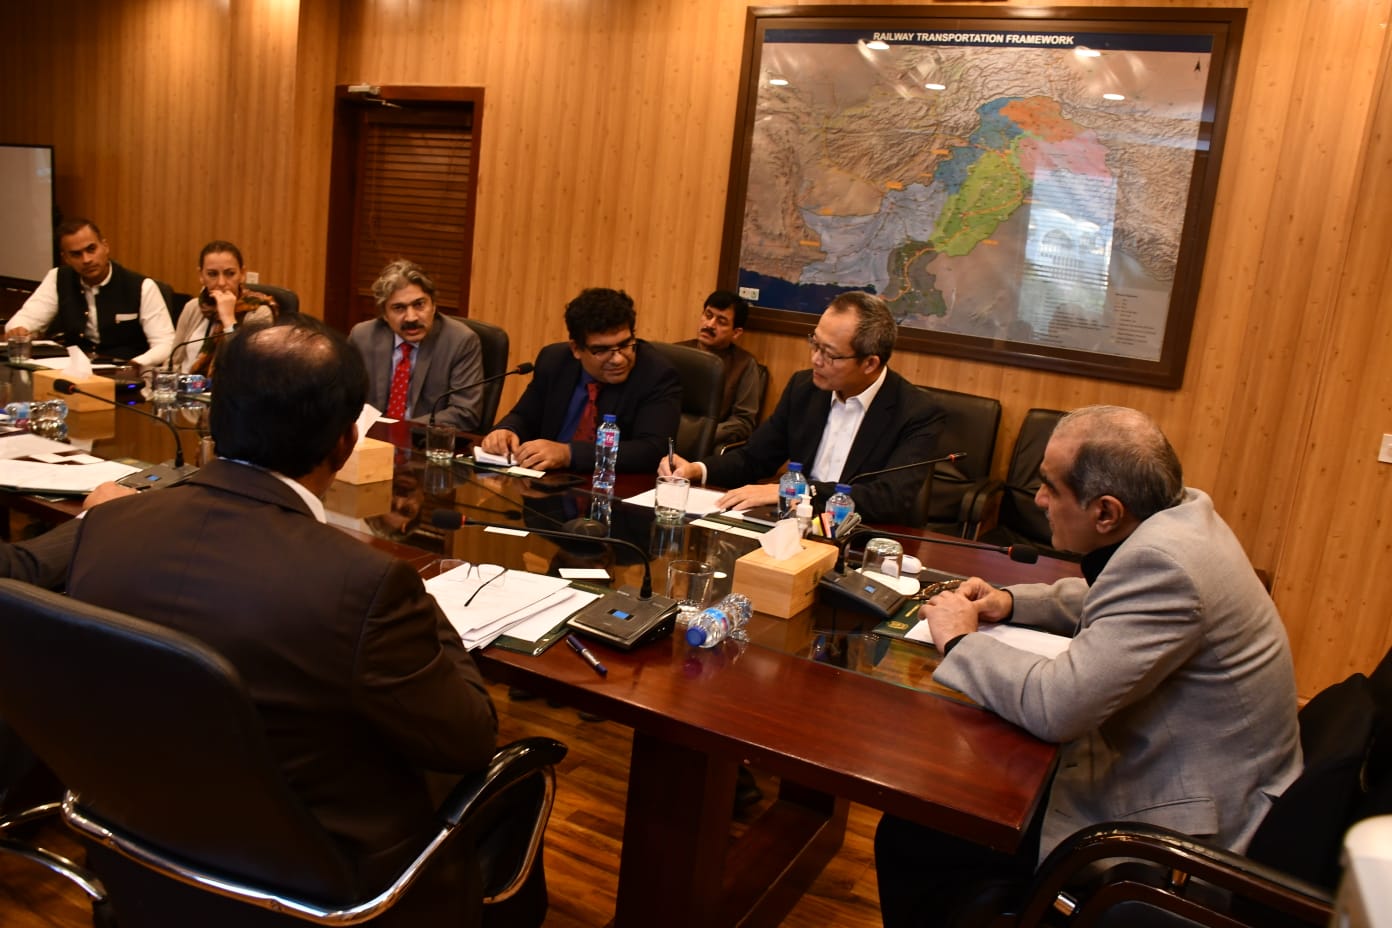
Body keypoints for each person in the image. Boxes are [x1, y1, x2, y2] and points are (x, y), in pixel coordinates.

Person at [66, 315, 498, 923]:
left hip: (139, 853)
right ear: (346, 443)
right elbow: (471, 737)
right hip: (316, 886)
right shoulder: (363, 585)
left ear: (215, 418)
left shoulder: (106, 528)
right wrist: (421, 599)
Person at [875, 405, 1303, 927]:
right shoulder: (1181, 516)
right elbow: (1112, 596)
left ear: (1105, 513)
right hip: (1189, 775)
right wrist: (1010, 601)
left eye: (1050, 487)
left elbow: (1057, 707)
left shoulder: (1165, 565)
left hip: (1174, 830)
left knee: (915, 831)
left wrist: (960, 640)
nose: (1038, 500)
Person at [660, 291, 943, 524]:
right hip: (790, 527)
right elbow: (755, 458)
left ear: (870, 363)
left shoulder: (916, 412)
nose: (815, 359)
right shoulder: (804, 387)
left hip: (860, 539)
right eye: (814, 344)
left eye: (829, 354)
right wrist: (697, 469)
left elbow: (888, 498)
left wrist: (796, 492)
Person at [480, 287, 681, 472]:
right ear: (576, 349)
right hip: (544, 484)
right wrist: (507, 430)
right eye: (601, 350)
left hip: (611, 488)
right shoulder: (555, 361)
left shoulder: (655, 373)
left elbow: (652, 450)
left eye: (625, 344)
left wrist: (568, 454)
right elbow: (525, 416)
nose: (618, 359)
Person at [4, 218, 175, 367]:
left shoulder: (142, 286)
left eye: (91, 249)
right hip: (74, 370)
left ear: (105, 246)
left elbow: (166, 344)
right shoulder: (58, 278)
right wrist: (19, 330)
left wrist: (136, 364)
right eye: (76, 254)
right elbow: (23, 320)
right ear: (66, 258)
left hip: (126, 372)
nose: (86, 260)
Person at [348, 259, 485, 431]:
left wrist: (402, 430)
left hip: (424, 440)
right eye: (399, 308)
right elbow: (344, 398)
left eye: (419, 305)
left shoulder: (460, 341)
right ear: (384, 314)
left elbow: (465, 413)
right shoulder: (363, 337)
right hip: (371, 439)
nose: (411, 317)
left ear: (433, 305)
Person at [170, 240, 278, 374]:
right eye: (212, 274)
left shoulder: (259, 312)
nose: (221, 283)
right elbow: (174, 361)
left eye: (230, 273)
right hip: (185, 383)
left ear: (242, 274)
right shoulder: (192, 307)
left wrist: (228, 318)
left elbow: (248, 367)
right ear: (201, 276)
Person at [677, 290, 762, 447]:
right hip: (665, 438)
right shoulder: (676, 353)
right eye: (708, 315)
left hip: (709, 447)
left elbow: (743, 421)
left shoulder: (745, 365)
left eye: (721, 322)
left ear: (736, 333)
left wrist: (701, 436)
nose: (710, 325)